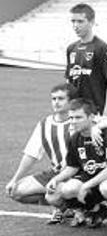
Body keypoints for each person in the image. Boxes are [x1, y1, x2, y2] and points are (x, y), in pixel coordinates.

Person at [44, 99, 107, 228]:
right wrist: (56, 179)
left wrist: (86, 186)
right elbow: (72, 166)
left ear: (91, 117)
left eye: (78, 117)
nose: (73, 121)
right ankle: (97, 209)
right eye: (71, 118)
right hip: (92, 176)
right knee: (65, 190)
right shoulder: (75, 138)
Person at [6, 83, 75, 221]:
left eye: (61, 99)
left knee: (54, 195)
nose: (56, 102)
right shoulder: (45, 124)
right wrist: (15, 179)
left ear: (71, 101)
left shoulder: (79, 121)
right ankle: (64, 208)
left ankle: (80, 207)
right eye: (53, 99)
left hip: (78, 173)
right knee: (16, 191)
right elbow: (31, 154)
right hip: (56, 172)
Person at [65, 3, 107, 118]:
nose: (75, 26)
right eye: (73, 21)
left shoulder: (102, 48)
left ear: (92, 22)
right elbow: (69, 81)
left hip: (96, 112)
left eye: (80, 21)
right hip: (77, 113)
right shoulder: (71, 49)